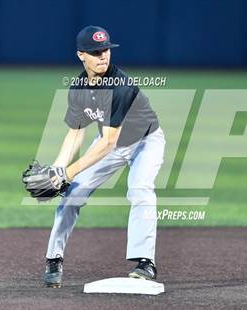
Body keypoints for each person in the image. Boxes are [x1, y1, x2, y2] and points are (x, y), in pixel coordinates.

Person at [43, 25, 165, 288]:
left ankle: (146, 262)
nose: (103, 56)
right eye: (95, 51)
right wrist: (57, 169)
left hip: (146, 141)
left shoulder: (119, 85)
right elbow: (75, 133)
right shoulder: (78, 87)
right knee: (72, 192)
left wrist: (68, 173)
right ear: (81, 56)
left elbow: (109, 142)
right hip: (110, 142)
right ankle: (54, 258)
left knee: (140, 188)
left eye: (106, 50)